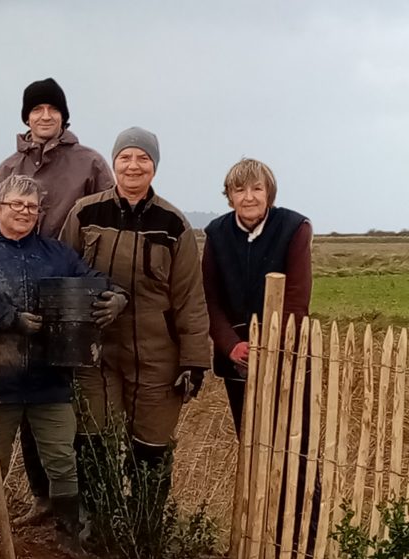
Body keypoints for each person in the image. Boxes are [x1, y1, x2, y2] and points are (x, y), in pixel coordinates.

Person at [0, 77, 115, 526]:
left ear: (63, 116)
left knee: (55, 424)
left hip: (64, 289)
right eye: (35, 109)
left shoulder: (90, 162)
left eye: (52, 109)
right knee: (2, 433)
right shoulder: (7, 168)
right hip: (7, 315)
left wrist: (107, 290)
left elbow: (107, 220)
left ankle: (66, 520)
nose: (44, 116)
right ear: (26, 117)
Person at [0, 174, 126, 556]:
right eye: (15, 204)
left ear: (40, 213)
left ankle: (68, 537)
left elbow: (93, 280)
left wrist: (116, 295)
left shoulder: (57, 255)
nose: (24, 212)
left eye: (31, 206)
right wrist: (8, 318)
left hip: (49, 378)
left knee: (61, 459)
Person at [59, 127, 209, 499]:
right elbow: (63, 274)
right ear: (114, 163)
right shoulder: (85, 212)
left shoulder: (174, 225)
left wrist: (194, 361)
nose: (133, 165)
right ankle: (99, 526)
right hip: (95, 355)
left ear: (154, 167)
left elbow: (190, 297)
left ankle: (144, 536)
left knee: (151, 449)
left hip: (156, 356)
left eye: (143, 158)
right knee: (93, 440)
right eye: (125, 157)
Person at [202, 158, 312, 433]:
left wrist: (271, 347)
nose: (248, 197)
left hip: (287, 352)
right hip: (238, 356)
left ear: (269, 194)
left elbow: (297, 299)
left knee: (294, 441)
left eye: (257, 189)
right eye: (239, 190)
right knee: (250, 437)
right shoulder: (216, 234)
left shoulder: (294, 228)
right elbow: (210, 300)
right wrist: (231, 346)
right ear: (230, 197)